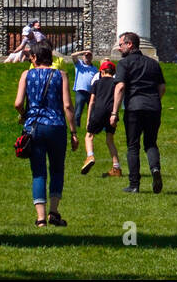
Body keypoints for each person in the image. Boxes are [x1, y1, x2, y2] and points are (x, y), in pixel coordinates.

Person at [15, 43, 78, 226]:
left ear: (34, 57)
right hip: (57, 126)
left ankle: (40, 218)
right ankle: (54, 212)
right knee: (57, 169)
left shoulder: (26, 75)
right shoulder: (61, 75)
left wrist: (24, 115)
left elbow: (18, 103)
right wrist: (74, 132)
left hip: (34, 127)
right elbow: (67, 106)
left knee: (38, 172)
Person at [110, 31, 165, 194]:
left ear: (130, 44)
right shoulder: (153, 63)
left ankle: (134, 184)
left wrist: (114, 112)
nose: (119, 49)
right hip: (154, 107)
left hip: (134, 107)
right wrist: (154, 100)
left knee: (133, 146)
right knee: (150, 143)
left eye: (121, 45)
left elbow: (120, 87)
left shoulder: (124, 64)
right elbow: (162, 87)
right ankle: (155, 169)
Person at [80, 59, 123, 176]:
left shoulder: (97, 83)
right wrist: (115, 113)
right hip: (111, 113)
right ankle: (116, 168)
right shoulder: (116, 83)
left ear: (102, 72)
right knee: (110, 140)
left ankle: (90, 157)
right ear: (113, 72)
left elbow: (92, 102)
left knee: (89, 136)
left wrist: (88, 118)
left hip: (98, 112)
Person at [57, 47, 98, 125]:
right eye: (86, 56)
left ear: (91, 57)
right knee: (78, 111)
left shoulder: (94, 68)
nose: (87, 57)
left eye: (89, 56)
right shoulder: (79, 64)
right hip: (80, 91)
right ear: (83, 56)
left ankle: (91, 125)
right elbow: (73, 55)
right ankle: (76, 126)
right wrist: (84, 51)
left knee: (92, 111)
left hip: (91, 92)